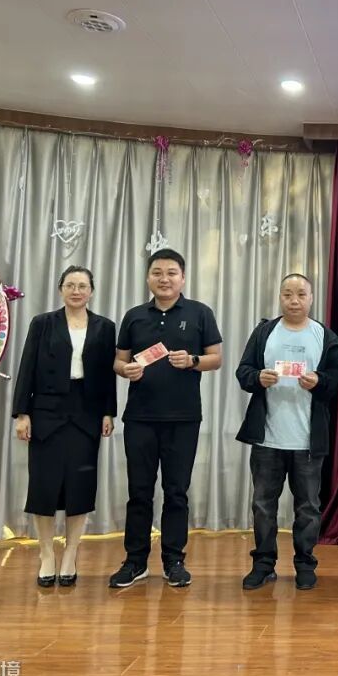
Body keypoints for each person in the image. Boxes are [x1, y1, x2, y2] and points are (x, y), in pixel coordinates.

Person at [108, 249, 222, 589]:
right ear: (148, 278)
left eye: (171, 272)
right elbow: (118, 361)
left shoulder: (200, 313)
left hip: (184, 418)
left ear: (182, 278)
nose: (164, 279)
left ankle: (174, 560)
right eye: (157, 272)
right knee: (139, 491)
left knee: (176, 491)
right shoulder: (134, 316)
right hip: (140, 418)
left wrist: (193, 361)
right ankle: (135, 561)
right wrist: (125, 370)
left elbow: (216, 358)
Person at [235, 273, 338, 590]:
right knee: (263, 506)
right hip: (267, 438)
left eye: (300, 294)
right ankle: (263, 564)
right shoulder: (264, 332)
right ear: (280, 297)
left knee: (308, 507)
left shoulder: (324, 335)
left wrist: (320, 381)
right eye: (287, 294)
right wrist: (258, 378)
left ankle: (305, 564)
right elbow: (243, 372)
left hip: (308, 440)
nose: (294, 300)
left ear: (311, 298)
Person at [13, 265, 116, 587]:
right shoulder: (42, 323)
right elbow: (27, 367)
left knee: (80, 486)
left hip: (86, 412)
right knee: (43, 486)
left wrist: (108, 412)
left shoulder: (104, 327)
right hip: (46, 412)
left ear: (91, 291)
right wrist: (22, 413)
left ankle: (71, 553)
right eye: (70, 285)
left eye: (82, 286)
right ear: (60, 289)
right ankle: (46, 554)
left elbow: (107, 375)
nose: (76, 291)